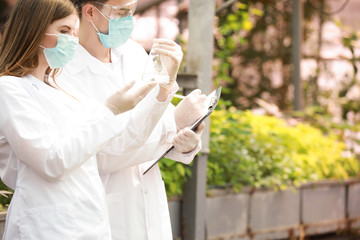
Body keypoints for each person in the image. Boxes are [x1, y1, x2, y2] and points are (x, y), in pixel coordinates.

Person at [0, 0, 177, 238]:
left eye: (74, 32)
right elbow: (54, 161)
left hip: (87, 224)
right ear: (33, 29)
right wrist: (110, 110)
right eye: (64, 31)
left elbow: (116, 141)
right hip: (46, 227)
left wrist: (162, 94)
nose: (71, 41)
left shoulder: (57, 90)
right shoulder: (9, 89)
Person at [59, 0, 207, 239]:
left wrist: (185, 140)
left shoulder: (134, 53)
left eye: (132, 11)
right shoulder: (64, 71)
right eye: (122, 13)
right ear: (89, 11)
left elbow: (162, 120)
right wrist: (171, 121)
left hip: (151, 206)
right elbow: (102, 152)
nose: (129, 21)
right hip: (104, 212)